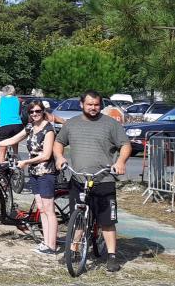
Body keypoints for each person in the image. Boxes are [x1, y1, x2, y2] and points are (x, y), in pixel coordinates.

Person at [53, 90, 131, 272]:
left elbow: (125, 145)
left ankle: (111, 256)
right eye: (89, 104)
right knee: (78, 218)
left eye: (96, 104)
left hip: (104, 180)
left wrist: (120, 161)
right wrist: (59, 157)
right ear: (81, 104)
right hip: (78, 179)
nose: (93, 108)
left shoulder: (111, 124)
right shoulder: (71, 124)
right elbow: (59, 143)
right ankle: (72, 250)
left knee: (107, 221)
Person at [0, 100, 57, 255]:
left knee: (48, 209)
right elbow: (13, 140)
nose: (34, 114)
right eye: (31, 112)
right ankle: (46, 242)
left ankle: (51, 245)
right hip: (34, 173)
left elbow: (46, 155)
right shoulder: (31, 127)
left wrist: (26, 161)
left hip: (46, 172)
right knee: (41, 208)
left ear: (43, 111)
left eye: (37, 111)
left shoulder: (49, 130)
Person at [0, 85, 24, 163]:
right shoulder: (19, 100)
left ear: (4, 92)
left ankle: (1, 170)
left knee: (2, 149)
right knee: (14, 140)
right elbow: (19, 113)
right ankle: (15, 157)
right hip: (18, 125)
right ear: (13, 91)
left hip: (5, 126)